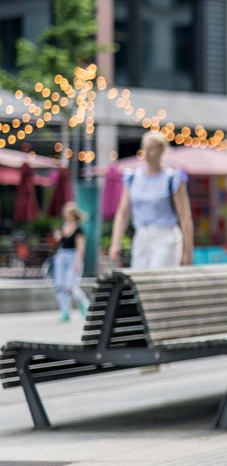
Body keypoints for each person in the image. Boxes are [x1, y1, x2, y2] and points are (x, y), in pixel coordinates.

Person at [108, 131, 194, 269]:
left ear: (161, 150)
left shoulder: (172, 178)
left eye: (151, 148)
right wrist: (115, 242)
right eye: (145, 148)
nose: (147, 153)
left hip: (165, 236)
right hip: (141, 236)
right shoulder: (132, 177)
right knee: (140, 282)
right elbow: (123, 212)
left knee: (158, 279)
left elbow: (185, 216)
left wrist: (188, 251)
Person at [52, 201, 90, 322]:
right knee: (60, 286)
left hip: (73, 257)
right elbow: (60, 242)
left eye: (67, 212)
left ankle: (84, 303)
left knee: (71, 286)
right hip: (62, 256)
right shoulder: (63, 226)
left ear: (73, 214)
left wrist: (78, 262)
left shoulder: (79, 229)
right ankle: (65, 311)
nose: (64, 214)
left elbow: (80, 248)